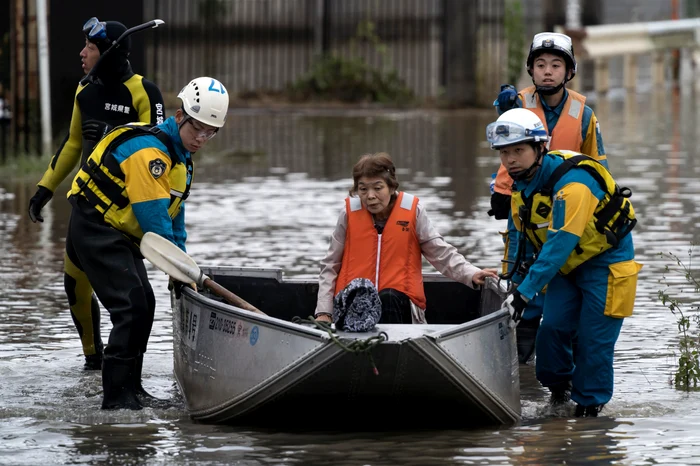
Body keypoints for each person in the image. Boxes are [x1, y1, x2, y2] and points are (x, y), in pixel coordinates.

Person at [64, 76, 229, 410]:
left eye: (210, 132)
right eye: (196, 127)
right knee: (131, 307)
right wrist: (180, 270)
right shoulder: (149, 153)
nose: (201, 138)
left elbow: (174, 217)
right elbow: (154, 220)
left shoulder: (181, 158)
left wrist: (180, 265)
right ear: (180, 115)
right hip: (96, 227)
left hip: (123, 234)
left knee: (146, 303)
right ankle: (116, 399)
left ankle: (133, 388)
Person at [27, 17, 165, 370]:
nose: (81, 53)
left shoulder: (144, 93)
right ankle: (93, 362)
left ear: (108, 53)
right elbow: (73, 144)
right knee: (75, 285)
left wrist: (160, 223)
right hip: (86, 209)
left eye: (89, 47)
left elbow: (160, 160)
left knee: (136, 298)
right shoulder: (84, 90)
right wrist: (44, 189)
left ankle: (131, 365)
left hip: (124, 219)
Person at [487, 108, 641, 417]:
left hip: (605, 263)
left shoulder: (573, 185)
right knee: (552, 331)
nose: (511, 159)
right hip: (564, 268)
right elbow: (520, 235)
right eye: (505, 153)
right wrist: (513, 282)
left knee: (593, 342)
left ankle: (589, 412)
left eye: (518, 150)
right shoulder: (522, 184)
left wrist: (525, 293)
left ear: (539, 148)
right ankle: (559, 395)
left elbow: (558, 244)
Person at [490, 32, 607, 364]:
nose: (547, 71)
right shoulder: (516, 102)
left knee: (561, 277)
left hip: (567, 208)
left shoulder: (584, 113)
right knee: (518, 275)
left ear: (569, 72)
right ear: (530, 69)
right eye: (540, 64)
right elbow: (505, 151)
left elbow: (599, 166)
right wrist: (499, 194)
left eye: (556, 65)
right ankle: (518, 365)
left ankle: (559, 362)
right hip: (523, 207)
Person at [314, 152, 499, 328]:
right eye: (363, 189)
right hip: (354, 311)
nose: (370, 196)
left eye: (377, 188)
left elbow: (441, 253)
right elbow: (330, 265)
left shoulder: (413, 212)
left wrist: (471, 273)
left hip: (401, 307)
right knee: (362, 299)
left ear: (392, 187)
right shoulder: (348, 214)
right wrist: (323, 311)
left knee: (387, 296)